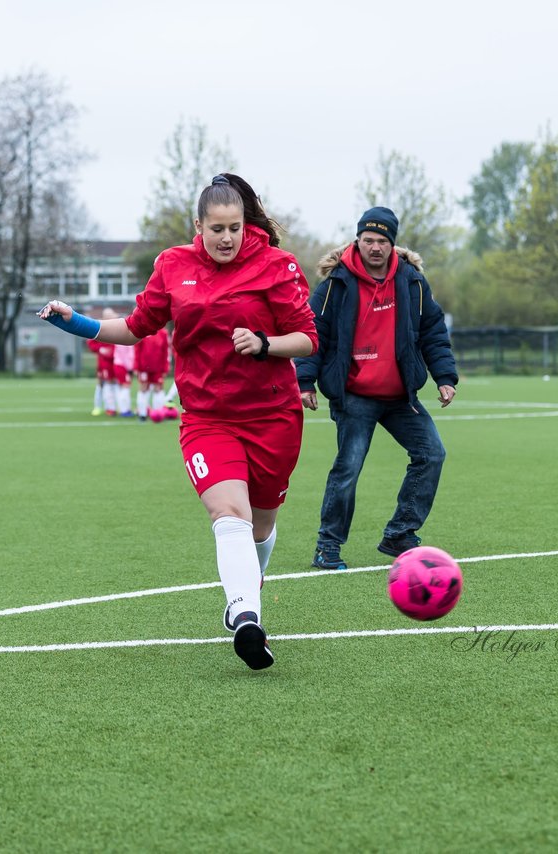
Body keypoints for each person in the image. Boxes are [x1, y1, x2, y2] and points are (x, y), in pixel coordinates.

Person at [38, 173, 317, 670]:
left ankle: (247, 588)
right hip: (207, 418)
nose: (227, 238)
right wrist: (75, 322)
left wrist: (264, 343)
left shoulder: (277, 266)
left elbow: (307, 338)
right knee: (229, 515)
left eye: (234, 228)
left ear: (244, 224)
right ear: (199, 226)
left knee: (260, 524)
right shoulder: (173, 265)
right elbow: (134, 326)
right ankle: (245, 614)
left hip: (273, 415)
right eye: (217, 229)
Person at [295, 206, 458, 570]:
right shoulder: (335, 283)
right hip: (353, 395)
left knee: (432, 454)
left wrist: (445, 377)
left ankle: (399, 533)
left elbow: (433, 331)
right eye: (368, 240)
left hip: (401, 396)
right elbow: (312, 332)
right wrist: (305, 380)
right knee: (348, 468)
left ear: (392, 244)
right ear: (358, 241)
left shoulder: (412, 282)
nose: (374, 247)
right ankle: (328, 546)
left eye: (381, 241)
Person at [133, 325, 172, 421]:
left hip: (158, 367)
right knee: (143, 388)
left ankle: (158, 413)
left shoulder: (163, 333)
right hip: (144, 367)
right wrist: (136, 366)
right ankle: (142, 414)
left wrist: (165, 367)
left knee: (158, 389)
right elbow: (137, 350)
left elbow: (166, 351)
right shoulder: (143, 330)